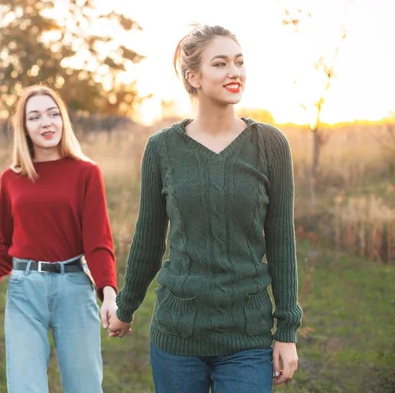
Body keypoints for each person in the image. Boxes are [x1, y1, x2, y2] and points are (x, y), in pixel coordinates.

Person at [108, 24, 303, 393]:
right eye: (221, 63)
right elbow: (149, 239)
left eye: (240, 62)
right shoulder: (162, 149)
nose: (235, 72)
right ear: (193, 77)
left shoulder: (270, 144)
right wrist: (126, 307)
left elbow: (281, 244)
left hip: (247, 335)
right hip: (177, 335)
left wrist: (287, 331)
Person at [0, 85, 118, 393]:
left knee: (85, 387)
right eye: (35, 117)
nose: (46, 123)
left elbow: (98, 242)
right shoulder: (11, 178)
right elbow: (4, 244)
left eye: (53, 114)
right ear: (24, 127)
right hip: (25, 290)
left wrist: (108, 292)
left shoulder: (86, 173)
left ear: (63, 120)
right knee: (26, 387)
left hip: (74, 288)